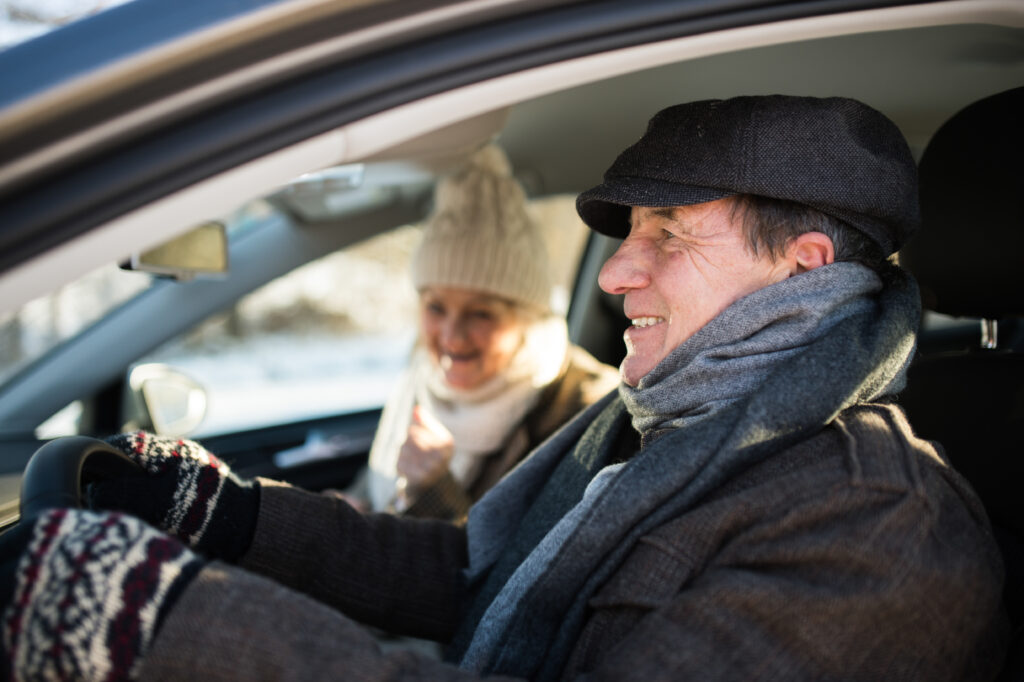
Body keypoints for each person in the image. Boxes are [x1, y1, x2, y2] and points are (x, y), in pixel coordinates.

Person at [0, 95, 1007, 681]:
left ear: (804, 268)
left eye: (666, 237)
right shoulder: (657, 422)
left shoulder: (882, 526)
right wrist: (225, 514)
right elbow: (468, 573)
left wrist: (166, 618)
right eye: (622, 240)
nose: (614, 274)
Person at [353, 144, 618, 520]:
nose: (451, 336)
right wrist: (351, 508)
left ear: (528, 316)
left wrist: (436, 491)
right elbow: (375, 486)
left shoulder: (588, 412)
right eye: (435, 307)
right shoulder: (419, 380)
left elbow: (525, 570)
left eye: (480, 314)